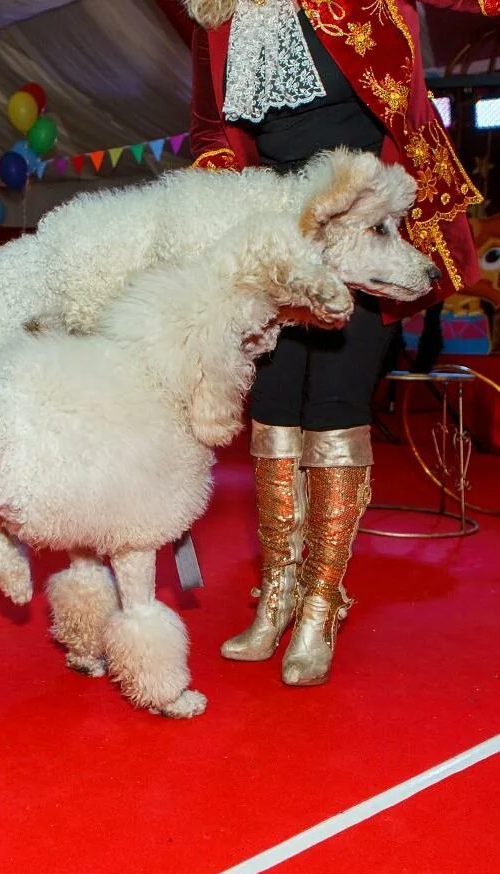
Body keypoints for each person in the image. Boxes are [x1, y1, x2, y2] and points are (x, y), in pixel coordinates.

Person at [184, 0, 495, 685]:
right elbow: (209, 131)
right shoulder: (219, 18)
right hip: (273, 234)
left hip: (361, 222)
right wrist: (220, 208)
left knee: (331, 408)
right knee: (271, 414)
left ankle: (321, 602)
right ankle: (277, 595)